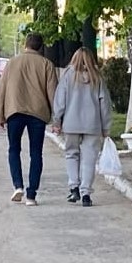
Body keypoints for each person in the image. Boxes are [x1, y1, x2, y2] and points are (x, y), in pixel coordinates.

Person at [0, 33, 58, 206]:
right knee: (36, 153)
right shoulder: (47, 64)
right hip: (38, 114)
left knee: (14, 149)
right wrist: (57, 119)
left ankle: (18, 186)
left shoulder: (12, 63)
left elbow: (2, 90)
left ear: (26, 44)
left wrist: (0, 114)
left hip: (14, 111)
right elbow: (53, 94)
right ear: (41, 47)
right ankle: (31, 195)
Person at [51, 47, 113, 207]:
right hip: (93, 125)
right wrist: (106, 126)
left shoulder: (67, 76)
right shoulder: (97, 77)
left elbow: (60, 101)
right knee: (89, 159)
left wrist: (57, 121)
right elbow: (105, 104)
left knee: (71, 154)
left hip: (71, 124)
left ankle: (74, 188)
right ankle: (86, 193)